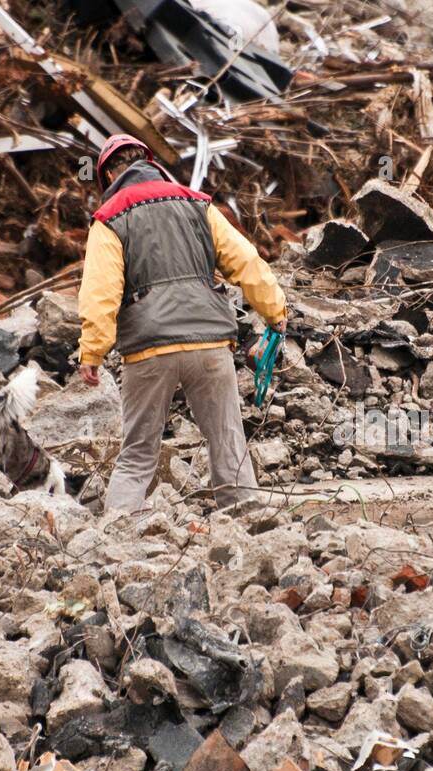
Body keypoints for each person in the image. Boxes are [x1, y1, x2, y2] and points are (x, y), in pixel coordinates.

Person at [76, 134, 286, 512]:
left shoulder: (108, 218)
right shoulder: (196, 203)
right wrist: (275, 312)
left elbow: (100, 293)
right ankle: (249, 521)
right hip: (209, 344)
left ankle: (119, 532)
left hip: (149, 349)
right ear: (149, 161)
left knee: (139, 451)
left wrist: (92, 350)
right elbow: (247, 263)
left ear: (107, 173)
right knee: (227, 438)